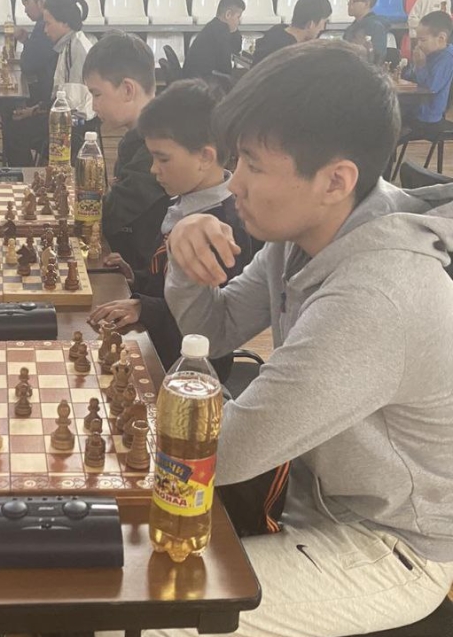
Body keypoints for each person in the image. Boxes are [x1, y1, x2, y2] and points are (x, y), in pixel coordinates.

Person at [149, 40, 453, 636]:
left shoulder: (375, 296)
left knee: (154, 609)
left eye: (254, 165)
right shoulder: (307, 234)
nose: (233, 184)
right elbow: (213, 331)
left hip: (397, 545)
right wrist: (183, 249)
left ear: (336, 180)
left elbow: (226, 453)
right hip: (311, 500)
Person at [89, 80, 261, 376]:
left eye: (163, 158)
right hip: (152, 345)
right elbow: (166, 279)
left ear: (205, 157)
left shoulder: (224, 229)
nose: (153, 169)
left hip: (188, 370)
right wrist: (136, 276)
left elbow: (209, 322)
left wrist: (145, 307)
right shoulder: (182, 201)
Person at [82, 33, 170, 279]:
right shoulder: (137, 138)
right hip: (130, 262)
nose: (93, 105)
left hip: (145, 278)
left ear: (128, 89)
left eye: (97, 94)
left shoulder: (158, 147)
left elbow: (110, 214)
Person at [3, 0, 58, 166]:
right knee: (11, 113)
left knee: (13, 124)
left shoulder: (43, 26)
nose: (25, 10)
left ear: (40, 3)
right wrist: (27, 40)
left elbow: (28, 64)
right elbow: (35, 58)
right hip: (48, 97)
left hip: (50, 101)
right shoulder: (43, 25)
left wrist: (34, 110)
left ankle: (22, 175)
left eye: (27, 4)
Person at [400, 11, 453, 138]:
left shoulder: (447, 58)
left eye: (423, 40)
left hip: (427, 117)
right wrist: (414, 65)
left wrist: (421, 65)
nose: (419, 44)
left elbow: (430, 88)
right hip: (414, 109)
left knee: (389, 125)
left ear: (441, 38)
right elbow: (409, 78)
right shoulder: (428, 53)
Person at [252, 0, 331, 65]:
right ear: (310, 24)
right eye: (323, 22)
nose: (323, 28)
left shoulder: (277, 30)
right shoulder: (290, 54)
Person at [183, 0, 245, 80]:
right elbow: (225, 68)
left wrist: (235, 31)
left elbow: (235, 49)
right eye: (238, 17)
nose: (239, 22)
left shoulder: (214, 26)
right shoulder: (220, 32)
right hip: (201, 82)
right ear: (228, 14)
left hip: (195, 79)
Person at [344, 0, 390, 65]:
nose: (349, 4)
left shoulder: (375, 27)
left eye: (353, 1)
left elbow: (377, 58)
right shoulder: (350, 28)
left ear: (367, 3)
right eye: (349, 1)